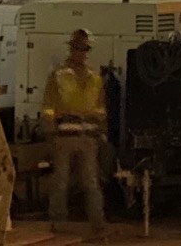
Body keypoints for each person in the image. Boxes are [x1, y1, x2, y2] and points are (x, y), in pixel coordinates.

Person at [41, 27, 107, 234]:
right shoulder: (59, 76)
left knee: (91, 182)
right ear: (72, 49)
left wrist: (100, 129)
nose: (81, 52)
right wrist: (50, 131)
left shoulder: (95, 78)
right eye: (78, 48)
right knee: (61, 181)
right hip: (64, 136)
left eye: (84, 49)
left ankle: (97, 222)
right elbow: (48, 106)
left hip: (87, 136)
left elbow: (101, 107)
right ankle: (58, 221)